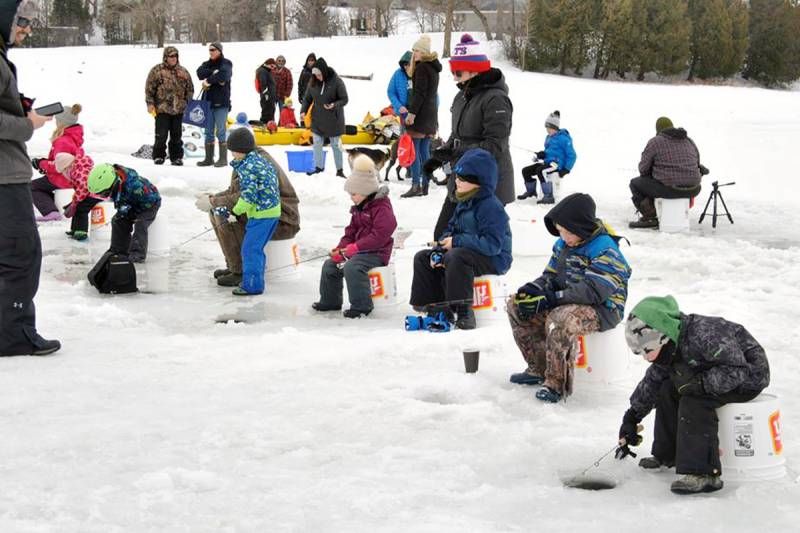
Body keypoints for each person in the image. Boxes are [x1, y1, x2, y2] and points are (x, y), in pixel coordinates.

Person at [618, 295, 769, 494]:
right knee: (667, 389)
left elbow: (737, 369)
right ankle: (667, 454)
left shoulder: (705, 334)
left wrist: (700, 385)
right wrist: (632, 417)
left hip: (748, 376)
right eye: (641, 353)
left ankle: (704, 474)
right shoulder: (670, 348)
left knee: (694, 401)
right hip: (707, 374)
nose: (646, 358)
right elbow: (653, 382)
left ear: (662, 337)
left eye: (647, 350)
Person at [507, 193, 631, 402]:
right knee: (516, 306)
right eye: (560, 232)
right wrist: (534, 289)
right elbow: (551, 275)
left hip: (603, 309)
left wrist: (551, 298)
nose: (563, 237)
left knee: (560, 319)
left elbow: (592, 291)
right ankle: (538, 367)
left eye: (566, 232)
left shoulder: (606, 250)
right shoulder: (564, 245)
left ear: (581, 227)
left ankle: (556, 383)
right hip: (567, 300)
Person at [0, 0, 61, 357]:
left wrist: (19, 107)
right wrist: (28, 124)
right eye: (21, 20)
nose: (26, 28)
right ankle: (13, 336)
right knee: (21, 254)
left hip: (8, 171)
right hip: (5, 177)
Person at [422, 34, 514, 240]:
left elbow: (495, 145)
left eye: (458, 71)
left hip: (487, 183)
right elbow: (457, 134)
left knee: (471, 242)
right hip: (461, 177)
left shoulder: (496, 99)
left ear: (474, 70)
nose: (454, 77)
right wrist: (440, 156)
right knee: (442, 235)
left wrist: (458, 152)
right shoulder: (462, 95)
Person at [409, 148, 512, 330]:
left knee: (456, 257)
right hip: (467, 253)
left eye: (462, 179)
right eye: (457, 177)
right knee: (424, 257)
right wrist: (440, 247)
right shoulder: (463, 201)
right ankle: (431, 305)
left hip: (494, 258)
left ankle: (463, 309)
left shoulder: (490, 207)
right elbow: (450, 229)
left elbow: (493, 245)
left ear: (478, 183)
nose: (456, 182)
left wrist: (456, 242)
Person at [196, 145, 300, 288]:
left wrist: (214, 202)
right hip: (261, 210)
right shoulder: (246, 158)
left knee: (224, 215)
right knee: (217, 211)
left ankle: (240, 271)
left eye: (233, 150)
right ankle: (233, 264)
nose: (232, 155)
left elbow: (245, 196)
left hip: (282, 217)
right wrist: (212, 198)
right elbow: (234, 190)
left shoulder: (254, 164)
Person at [312, 155, 397, 318]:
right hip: (357, 251)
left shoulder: (382, 207)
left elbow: (380, 235)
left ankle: (362, 306)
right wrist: (340, 248)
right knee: (331, 265)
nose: (351, 197)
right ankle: (330, 301)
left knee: (353, 267)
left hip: (376, 253)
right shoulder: (359, 207)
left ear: (366, 192)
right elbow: (350, 231)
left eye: (354, 194)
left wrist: (355, 248)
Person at [222, 128, 281, 296]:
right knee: (256, 249)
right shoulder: (259, 160)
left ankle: (252, 286)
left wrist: (236, 211)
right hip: (271, 211)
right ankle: (254, 281)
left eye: (233, 151)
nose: (232, 155)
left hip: (262, 214)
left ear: (239, 150)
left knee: (250, 250)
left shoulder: (248, 167)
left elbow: (249, 195)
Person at [629, 116, 704, 229]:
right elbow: (698, 163)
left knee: (635, 183)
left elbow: (643, 169)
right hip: (693, 189)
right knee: (658, 183)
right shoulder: (689, 141)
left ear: (658, 129)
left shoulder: (655, 142)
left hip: (669, 189)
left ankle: (650, 217)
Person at [86, 163, 161, 263]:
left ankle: (137, 254)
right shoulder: (119, 184)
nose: (104, 196)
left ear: (112, 184)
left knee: (140, 223)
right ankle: (118, 250)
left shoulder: (131, 186)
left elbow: (124, 203)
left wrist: (125, 213)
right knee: (117, 221)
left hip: (149, 205)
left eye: (104, 193)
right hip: (132, 203)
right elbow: (123, 207)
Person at [400, 35, 441, 198]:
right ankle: (425, 185)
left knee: (415, 151)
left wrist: (412, 114)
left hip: (421, 115)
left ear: (423, 52)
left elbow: (419, 94)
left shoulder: (422, 68)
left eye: (416, 50)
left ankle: (416, 185)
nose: (414, 53)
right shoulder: (433, 68)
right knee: (425, 151)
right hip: (431, 114)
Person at [30, 103, 84, 221]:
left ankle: (51, 212)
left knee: (32, 186)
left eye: (57, 120)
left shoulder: (62, 141)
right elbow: (62, 161)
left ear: (61, 122)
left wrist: (40, 163)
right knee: (43, 184)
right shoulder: (74, 137)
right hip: (72, 177)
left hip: (62, 179)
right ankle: (55, 206)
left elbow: (57, 166)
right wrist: (45, 162)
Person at [299, 57, 348, 178]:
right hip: (318, 118)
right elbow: (307, 99)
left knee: (336, 144)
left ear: (324, 72)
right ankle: (318, 167)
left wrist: (334, 105)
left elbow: (344, 99)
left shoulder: (337, 81)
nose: (318, 77)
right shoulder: (313, 82)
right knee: (316, 142)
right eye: (315, 75)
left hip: (334, 119)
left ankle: (340, 170)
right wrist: (303, 111)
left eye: (319, 74)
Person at [145, 46, 194, 166]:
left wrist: (187, 102)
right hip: (162, 109)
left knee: (176, 136)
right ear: (165, 57)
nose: (174, 58)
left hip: (178, 110)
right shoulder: (157, 71)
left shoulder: (183, 71)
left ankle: (176, 157)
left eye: (175, 56)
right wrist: (150, 103)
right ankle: (159, 156)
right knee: (161, 135)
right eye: (171, 56)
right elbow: (149, 88)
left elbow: (190, 88)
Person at [517, 110, 576, 204]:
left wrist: (566, 169)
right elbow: (548, 151)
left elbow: (572, 155)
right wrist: (542, 154)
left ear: (555, 128)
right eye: (546, 128)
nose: (547, 130)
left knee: (541, 170)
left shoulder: (564, 139)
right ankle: (531, 192)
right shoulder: (548, 137)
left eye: (549, 128)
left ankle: (549, 196)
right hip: (547, 163)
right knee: (526, 170)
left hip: (557, 165)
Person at [196, 41, 233, 168]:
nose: (211, 52)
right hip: (207, 102)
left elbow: (224, 74)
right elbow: (199, 73)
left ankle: (223, 159)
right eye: (210, 50)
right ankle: (208, 158)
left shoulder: (226, 63)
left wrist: (209, 80)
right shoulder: (207, 64)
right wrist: (214, 74)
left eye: (213, 50)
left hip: (221, 102)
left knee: (221, 131)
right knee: (208, 131)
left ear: (219, 51)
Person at [53, 152, 101, 241]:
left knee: (81, 208)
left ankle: (81, 231)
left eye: (64, 171)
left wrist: (76, 200)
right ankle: (75, 229)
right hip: (89, 193)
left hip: (97, 193)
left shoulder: (80, 170)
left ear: (68, 167)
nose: (64, 174)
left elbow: (84, 187)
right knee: (76, 207)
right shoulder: (77, 169)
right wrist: (74, 202)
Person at [386, 51, 411, 120]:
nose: (406, 67)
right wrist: (399, 106)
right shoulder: (398, 74)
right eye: (405, 64)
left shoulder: (419, 74)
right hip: (402, 113)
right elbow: (391, 92)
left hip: (416, 114)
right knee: (403, 130)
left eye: (409, 64)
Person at [255, 57, 277, 124]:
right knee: (266, 111)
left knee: (270, 111)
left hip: (270, 96)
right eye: (272, 66)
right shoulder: (262, 71)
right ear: (267, 64)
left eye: (274, 67)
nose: (273, 68)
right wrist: (266, 94)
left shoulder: (267, 71)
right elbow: (263, 84)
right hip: (267, 96)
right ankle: (264, 124)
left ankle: (270, 124)